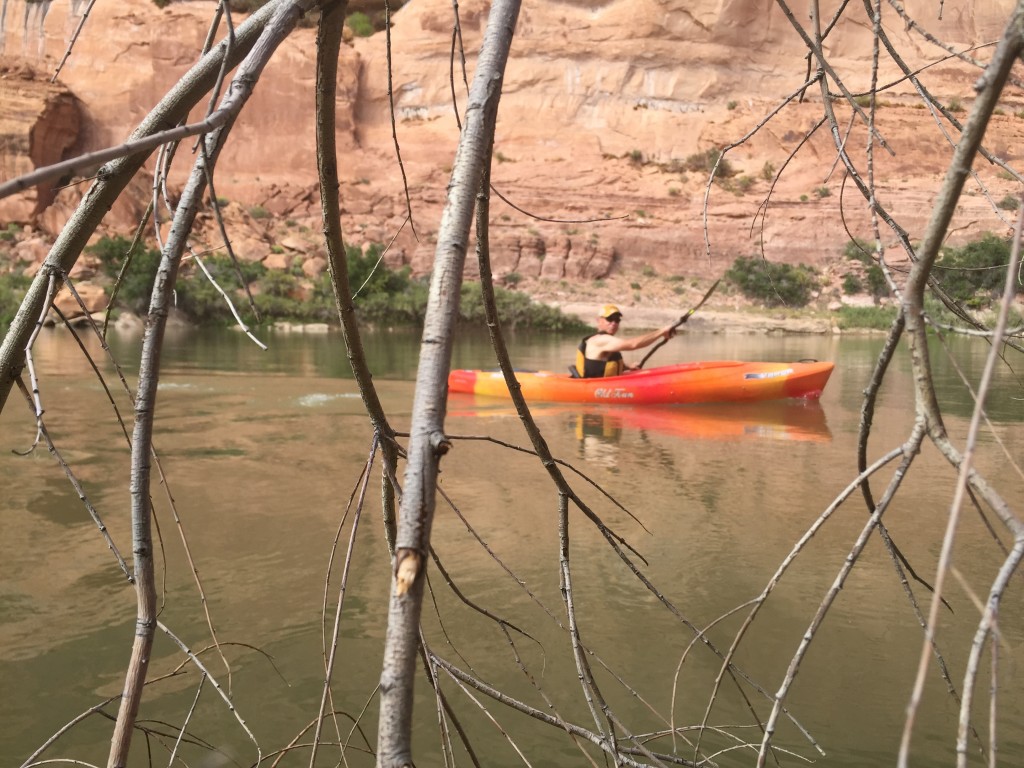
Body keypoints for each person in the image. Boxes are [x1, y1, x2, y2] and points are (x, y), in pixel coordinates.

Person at [573, 304, 677, 378]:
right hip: (595, 388)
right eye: (610, 319)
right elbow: (633, 344)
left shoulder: (607, 340)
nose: (613, 323)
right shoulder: (601, 340)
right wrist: (661, 331)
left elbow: (602, 363)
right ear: (599, 321)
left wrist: (628, 367)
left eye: (617, 320)